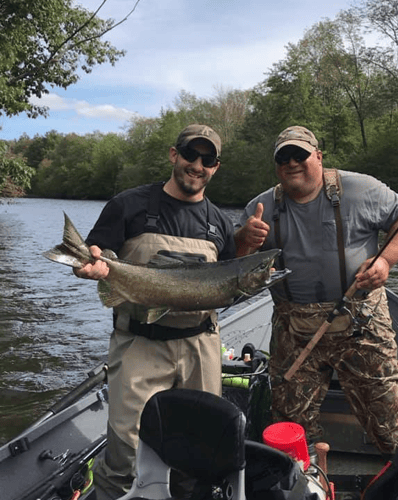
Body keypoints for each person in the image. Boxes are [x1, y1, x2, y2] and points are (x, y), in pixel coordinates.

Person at [234, 125, 398, 456]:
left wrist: (385, 261)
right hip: (294, 329)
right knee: (287, 424)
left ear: (318, 157)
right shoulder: (260, 208)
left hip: (361, 321)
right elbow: (236, 267)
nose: (292, 162)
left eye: (300, 155)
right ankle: (300, 481)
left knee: (389, 420)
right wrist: (243, 241)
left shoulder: (362, 188)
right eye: (283, 157)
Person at [74, 124, 236, 499]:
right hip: (139, 345)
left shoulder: (220, 223)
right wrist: (89, 266)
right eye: (191, 155)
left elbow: (228, 283)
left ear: (215, 167)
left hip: (201, 347)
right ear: (173, 154)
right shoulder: (128, 205)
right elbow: (94, 256)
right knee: (126, 456)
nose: (197, 165)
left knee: (197, 452)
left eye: (207, 159)